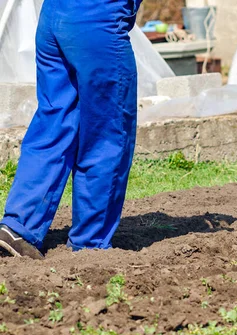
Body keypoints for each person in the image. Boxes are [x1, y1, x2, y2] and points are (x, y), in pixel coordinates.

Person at [0, 0, 143, 260]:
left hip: (53, 16)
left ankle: (17, 227)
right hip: (98, 20)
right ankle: (90, 243)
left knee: (52, 126)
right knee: (108, 133)